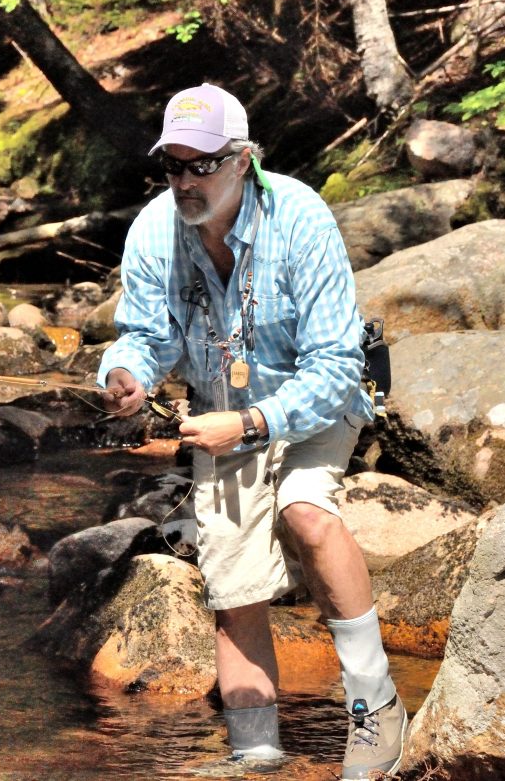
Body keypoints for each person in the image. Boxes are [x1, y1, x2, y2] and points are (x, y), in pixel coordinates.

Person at [98, 83, 405, 780]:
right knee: (234, 585)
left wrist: (255, 420)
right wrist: (127, 375)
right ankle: (257, 752)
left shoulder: (300, 219)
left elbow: (334, 365)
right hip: (221, 416)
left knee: (306, 511)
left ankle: (377, 707)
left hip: (316, 401)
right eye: (171, 166)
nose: (183, 181)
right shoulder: (153, 229)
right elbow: (143, 336)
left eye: (199, 165)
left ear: (244, 160)